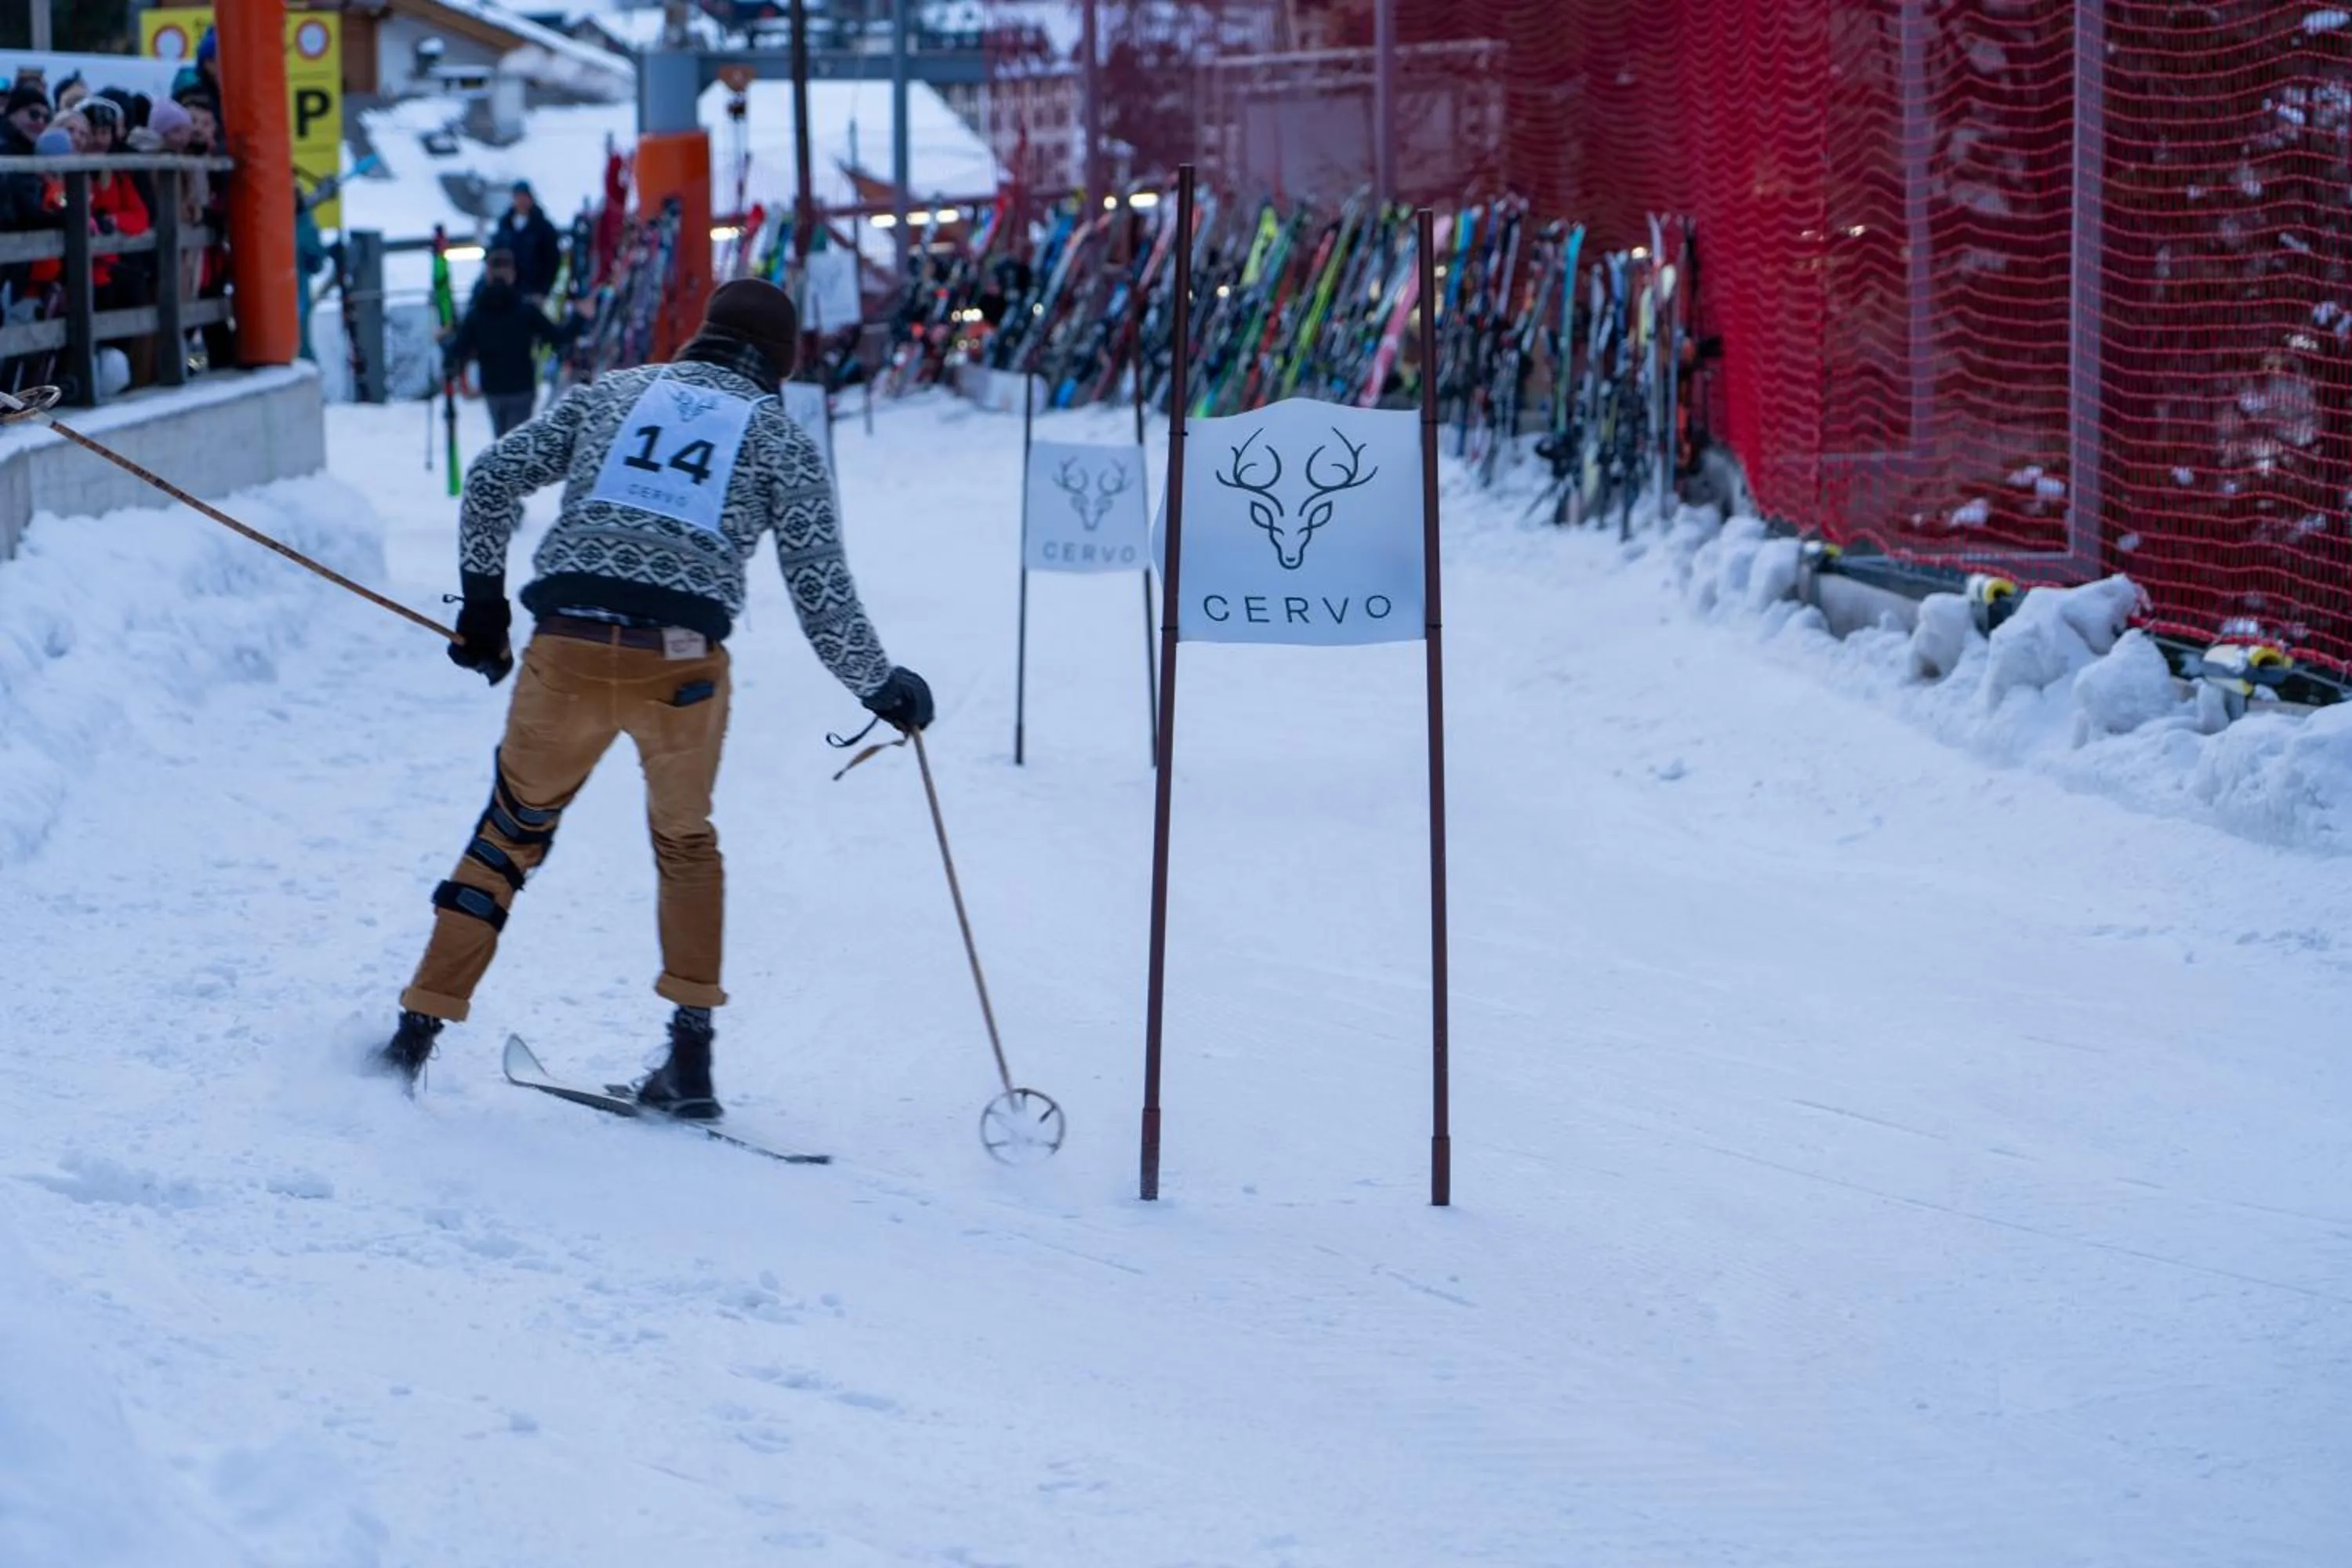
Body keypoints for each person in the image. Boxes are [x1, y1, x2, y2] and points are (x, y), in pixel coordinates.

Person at [374, 278, 933, 1118]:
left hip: (565, 646)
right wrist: (880, 686)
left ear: (702, 334)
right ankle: (691, 1060)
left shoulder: (616, 391)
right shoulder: (780, 437)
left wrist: (485, 613)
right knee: (685, 843)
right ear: (781, 362)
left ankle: (412, 1038)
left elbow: (492, 477)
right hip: (682, 665)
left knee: (509, 835)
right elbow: (820, 590)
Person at [441, 245, 583, 437]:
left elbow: (458, 350)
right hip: (522, 386)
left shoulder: (476, 314)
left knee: (500, 439)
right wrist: (580, 317)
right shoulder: (526, 310)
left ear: (488, 274)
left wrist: (444, 341)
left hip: (492, 387)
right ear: (512, 275)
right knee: (520, 440)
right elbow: (559, 337)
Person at [489, 181, 562, 302]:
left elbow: (552, 260)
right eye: (518, 197)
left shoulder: (543, 228)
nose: (521, 201)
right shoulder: (504, 227)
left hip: (534, 291)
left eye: (525, 197)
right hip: (508, 293)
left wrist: (544, 289)